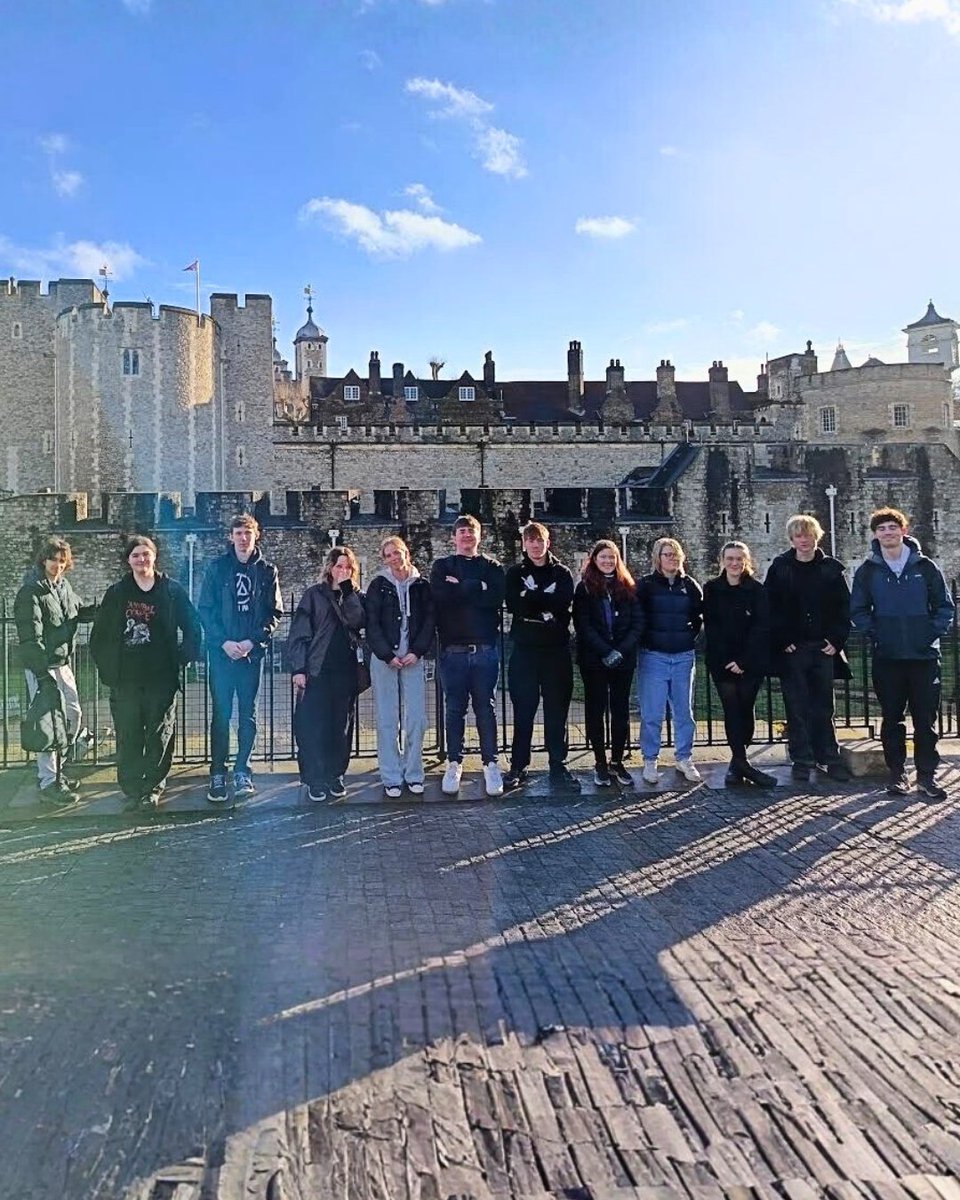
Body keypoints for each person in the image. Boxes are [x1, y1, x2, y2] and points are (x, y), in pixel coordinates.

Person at [90, 535, 202, 809]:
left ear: (154, 556)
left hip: (161, 678)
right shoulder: (117, 593)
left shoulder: (171, 591)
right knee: (128, 734)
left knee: (159, 733)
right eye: (136, 555)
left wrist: (183, 657)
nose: (142, 559)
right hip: (126, 679)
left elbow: (192, 626)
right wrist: (107, 670)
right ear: (129, 560)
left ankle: (152, 787)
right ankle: (131, 788)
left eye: (146, 554)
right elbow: (99, 635)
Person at [851, 507, 954, 799]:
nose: (888, 533)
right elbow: (858, 609)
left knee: (925, 721)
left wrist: (929, 634)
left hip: (924, 657)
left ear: (903, 531)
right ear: (875, 535)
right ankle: (897, 775)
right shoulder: (868, 571)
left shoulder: (926, 567)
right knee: (892, 719)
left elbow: (944, 606)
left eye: (892, 527)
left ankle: (926, 777)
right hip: (888, 657)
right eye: (882, 529)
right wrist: (877, 635)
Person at [198, 513, 283, 804]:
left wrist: (251, 641)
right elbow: (205, 609)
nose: (243, 538)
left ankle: (243, 770)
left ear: (256, 535)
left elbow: (274, 613)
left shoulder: (267, 571)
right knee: (221, 714)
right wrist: (224, 642)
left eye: (248, 533)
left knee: (247, 714)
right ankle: (217, 773)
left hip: (250, 655)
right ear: (231, 537)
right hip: (222, 654)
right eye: (238, 533)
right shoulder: (217, 568)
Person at [765, 515, 852, 784]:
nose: (803, 540)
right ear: (792, 539)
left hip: (823, 647)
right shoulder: (780, 568)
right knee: (796, 706)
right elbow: (769, 607)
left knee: (824, 706)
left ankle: (829, 757)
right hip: (793, 649)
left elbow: (844, 608)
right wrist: (782, 639)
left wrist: (836, 640)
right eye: (798, 536)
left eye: (808, 535)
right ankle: (801, 759)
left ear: (816, 537)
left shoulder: (831, 569)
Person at [14, 537, 97, 804]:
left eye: (62, 561)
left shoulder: (63, 587)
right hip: (43, 667)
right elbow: (30, 637)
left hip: (63, 663)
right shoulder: (31, 592)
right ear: (43, 560)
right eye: (53, 560)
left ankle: (58, 770)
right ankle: (49, 780)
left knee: (73, 715)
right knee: (48, 723)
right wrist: (41, 675)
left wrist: (102, 610)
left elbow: (77, 612)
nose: (57, 565)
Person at [430, 515, 506, 797]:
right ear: (453, 537)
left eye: (471, 531)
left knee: (486, 709)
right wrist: (477, 586)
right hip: (453, 652)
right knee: (454, 709)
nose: (466, 535)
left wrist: (460, 585)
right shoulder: (442, 567)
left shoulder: (492, 567)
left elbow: (494, 599)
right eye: (461, 531)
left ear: (479, 536)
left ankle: (490, 763)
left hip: (485, 649)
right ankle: (454, 762)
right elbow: (441, 597)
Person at [504, 522, 580, 793]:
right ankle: (518, 765)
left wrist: (531, 599)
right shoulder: (515, 573)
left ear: (548, 543)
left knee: (557, 710)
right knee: (523, 709)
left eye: (540, 540)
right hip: (525, 650)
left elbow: (563, 603)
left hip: (555, 650)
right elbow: (515, 604)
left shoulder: (562, 573)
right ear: (524, 544)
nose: (535, 545)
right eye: (531, 540)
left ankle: (558, 764)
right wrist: (544, 605)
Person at [288, 546, 366, 804]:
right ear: (330, 568)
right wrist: (299, 669)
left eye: (348, 567)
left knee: (341, 726)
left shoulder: (355, 595)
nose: (343, 571)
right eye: (339, 566)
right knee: (314, 725)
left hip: (345, 670)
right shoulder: (314, 595)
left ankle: (336, 774)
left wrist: (347, 592)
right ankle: (315, 778)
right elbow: (299, 633)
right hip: (317, 669)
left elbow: (358, 621)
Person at [365, 535, 435, 798]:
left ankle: (414, 773)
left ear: (407, 553)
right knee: (387, 719)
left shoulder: (422, 586)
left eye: (398, 552)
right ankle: (391, 776)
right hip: (385, 660)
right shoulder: (378, 585)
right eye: (389, 555)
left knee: (416, 718)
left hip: (412, 659)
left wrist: (417, 651)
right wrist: (386, 654)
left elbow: (429, 621)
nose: (394, 558)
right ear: (384, 560)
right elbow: (371, 623)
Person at [703, 541, 776, 788]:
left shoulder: (757, 590)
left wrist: (743, 661)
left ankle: (737, 766)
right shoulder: (712, 589)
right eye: (730, 559)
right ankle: (742, 764)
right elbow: (712, 627)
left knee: (746, 710)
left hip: (750, 661)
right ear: (722, 561)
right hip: (722, 661)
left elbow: (761, 627)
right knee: (732, 710)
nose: (734, 563)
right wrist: (728, 660)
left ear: (746, 561)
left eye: (739, 559)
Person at [573, 539, 644, 787]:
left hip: (622, 659)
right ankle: (600, 762)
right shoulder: (584, 588)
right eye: (603, 557)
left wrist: (620, 651)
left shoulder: (628, 586)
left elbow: (638, 622)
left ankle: (617, 760)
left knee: (620, 711)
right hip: (594, 659)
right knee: (595, 709)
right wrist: (605, 651)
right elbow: (583, 624)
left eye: (612, 557)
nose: (607, 561)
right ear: (594, 560)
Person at [635, 538, 703, 785]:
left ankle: (684, 757)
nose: (672, 559)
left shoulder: (690, 585)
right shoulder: (646, 586)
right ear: (658, 558)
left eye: (675, 555)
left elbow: (697, 616)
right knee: (652, 712)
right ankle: (650, 759)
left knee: (684, 712)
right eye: (667, 555)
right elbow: (638, 617)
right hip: (654, 656)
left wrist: (687, 637)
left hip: (683, 656)